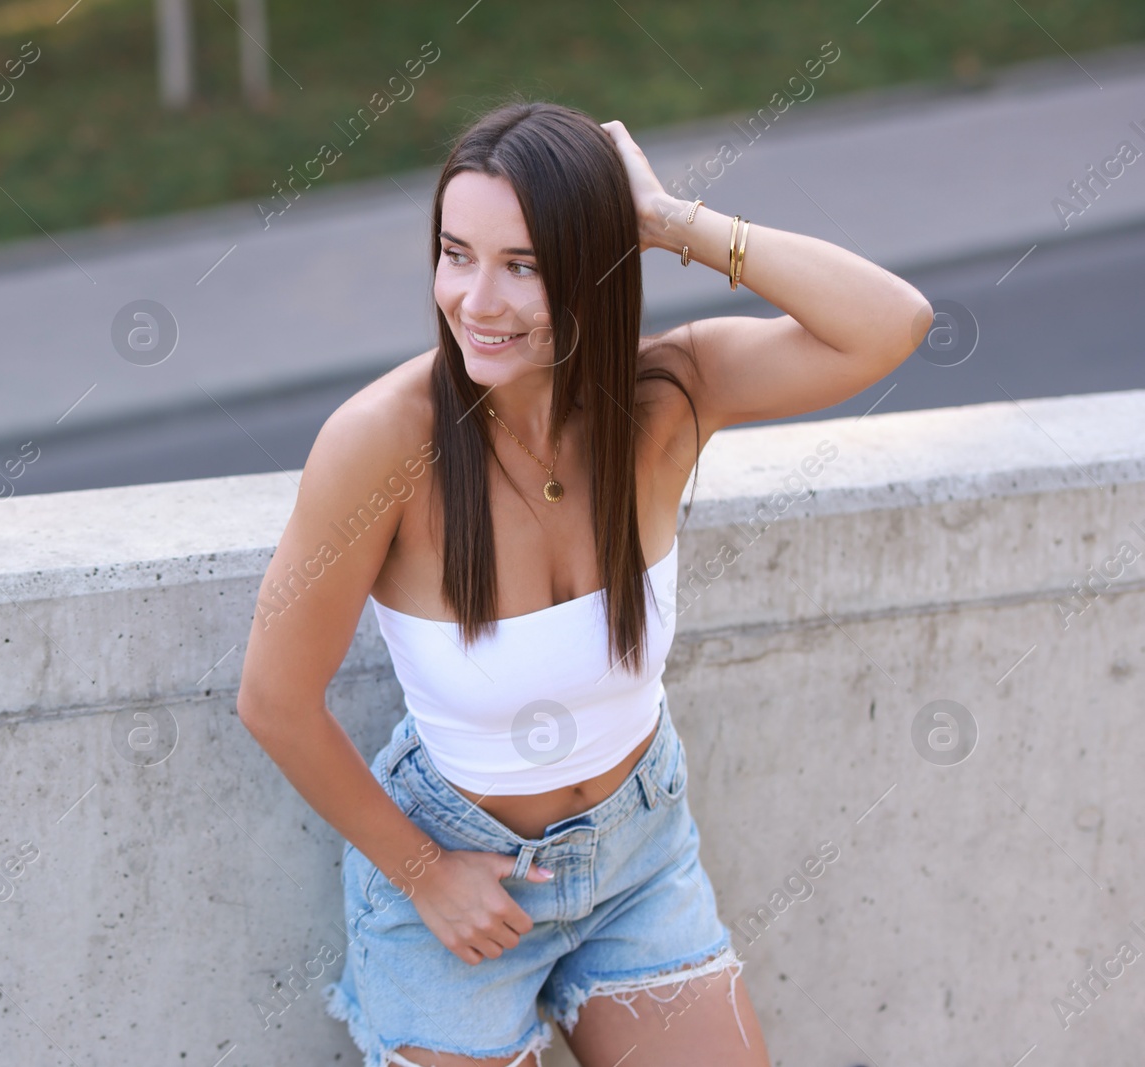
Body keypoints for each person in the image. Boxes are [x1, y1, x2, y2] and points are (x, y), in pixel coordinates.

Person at [236, 100, 930, 1067]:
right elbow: (274, 699)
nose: (476, 300)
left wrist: (668, 219)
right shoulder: (384, 443)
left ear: (600, 264)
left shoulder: (667, 395)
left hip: (639, 856)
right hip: (457, 868)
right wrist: (425, 873)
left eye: (523, 264)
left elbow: (892, 324)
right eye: (457, 252)